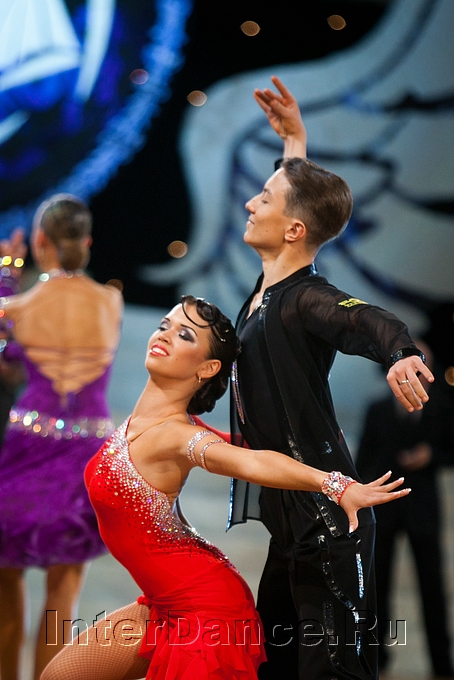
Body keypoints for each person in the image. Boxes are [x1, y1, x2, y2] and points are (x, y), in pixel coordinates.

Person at [41, 295, 410, 680]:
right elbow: (249, 445)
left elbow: (251, 462)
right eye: (165, 325)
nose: (165, 335)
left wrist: (333, 484)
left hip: (208, 615)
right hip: (165, 604)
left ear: (208, 367)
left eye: (185, 335)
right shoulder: (155, 422)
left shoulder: (179, 437)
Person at [227, 76, 435, 680]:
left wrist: (398, 351)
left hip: (327, 519)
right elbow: (298, 197)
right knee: (273, 665)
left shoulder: (305, 298)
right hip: (294, 519)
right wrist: (294, 143)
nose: (250, 203)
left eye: (264, 199)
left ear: (293, 230)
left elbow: (365, 318)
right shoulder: (269, 290)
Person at [0, 196, 123, 680]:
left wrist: (7, 274)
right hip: (85, 457)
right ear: (87, 242)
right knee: (63, 600)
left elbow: (5, 360)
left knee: (6, 585)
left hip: (25, 452)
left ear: (40, 241)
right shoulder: (111, 302)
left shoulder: (17, 306)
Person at [356, 341, 454, 678]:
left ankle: (441, 662)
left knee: (432, 585)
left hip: (423, 509)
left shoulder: (442, 408)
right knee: (378, 584)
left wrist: (431, 455)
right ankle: (377, 658)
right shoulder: (378, 409)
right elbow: (363, 461)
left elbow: (450, 450)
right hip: (384, 508)